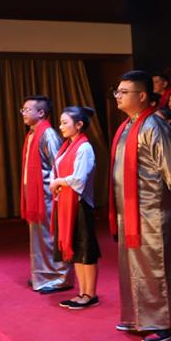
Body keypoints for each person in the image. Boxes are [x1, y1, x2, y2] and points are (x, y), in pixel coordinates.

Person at [109, 71, 171, 341]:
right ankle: (139, 316)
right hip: (128, 208)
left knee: (156, 266)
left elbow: (170, 166)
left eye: (124, 92)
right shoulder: (127, 125)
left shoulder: (153, 125)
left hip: (151, 208)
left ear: (142, 96)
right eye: (117, 91)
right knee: (132, 265)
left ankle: (166, 322)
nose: (118, 96)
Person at [20, 96, 73, 294]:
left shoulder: (48, 134)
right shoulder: (32, 133)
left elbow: (58, 164)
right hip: (36, 195)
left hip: (48, 196)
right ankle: (42, 275)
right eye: (23, 110)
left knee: (51, 237)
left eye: (27, 110)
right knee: (39, 238)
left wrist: (57, 193)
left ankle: (60, 278)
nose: (24, 113)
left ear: (41, 113)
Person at [51, 107, 101, 310]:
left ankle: (90, 294)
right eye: (61, 122)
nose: (61, 126)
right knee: (76, 250)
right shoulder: (67, 146)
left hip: (80, 204)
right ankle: (82, 292)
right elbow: (56, 171)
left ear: (79, 125)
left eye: (65, 122)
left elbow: (79, 179)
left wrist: (59, 182)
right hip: (66, 202)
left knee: (85, 249)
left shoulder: (84, 147)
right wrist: (56, 182)